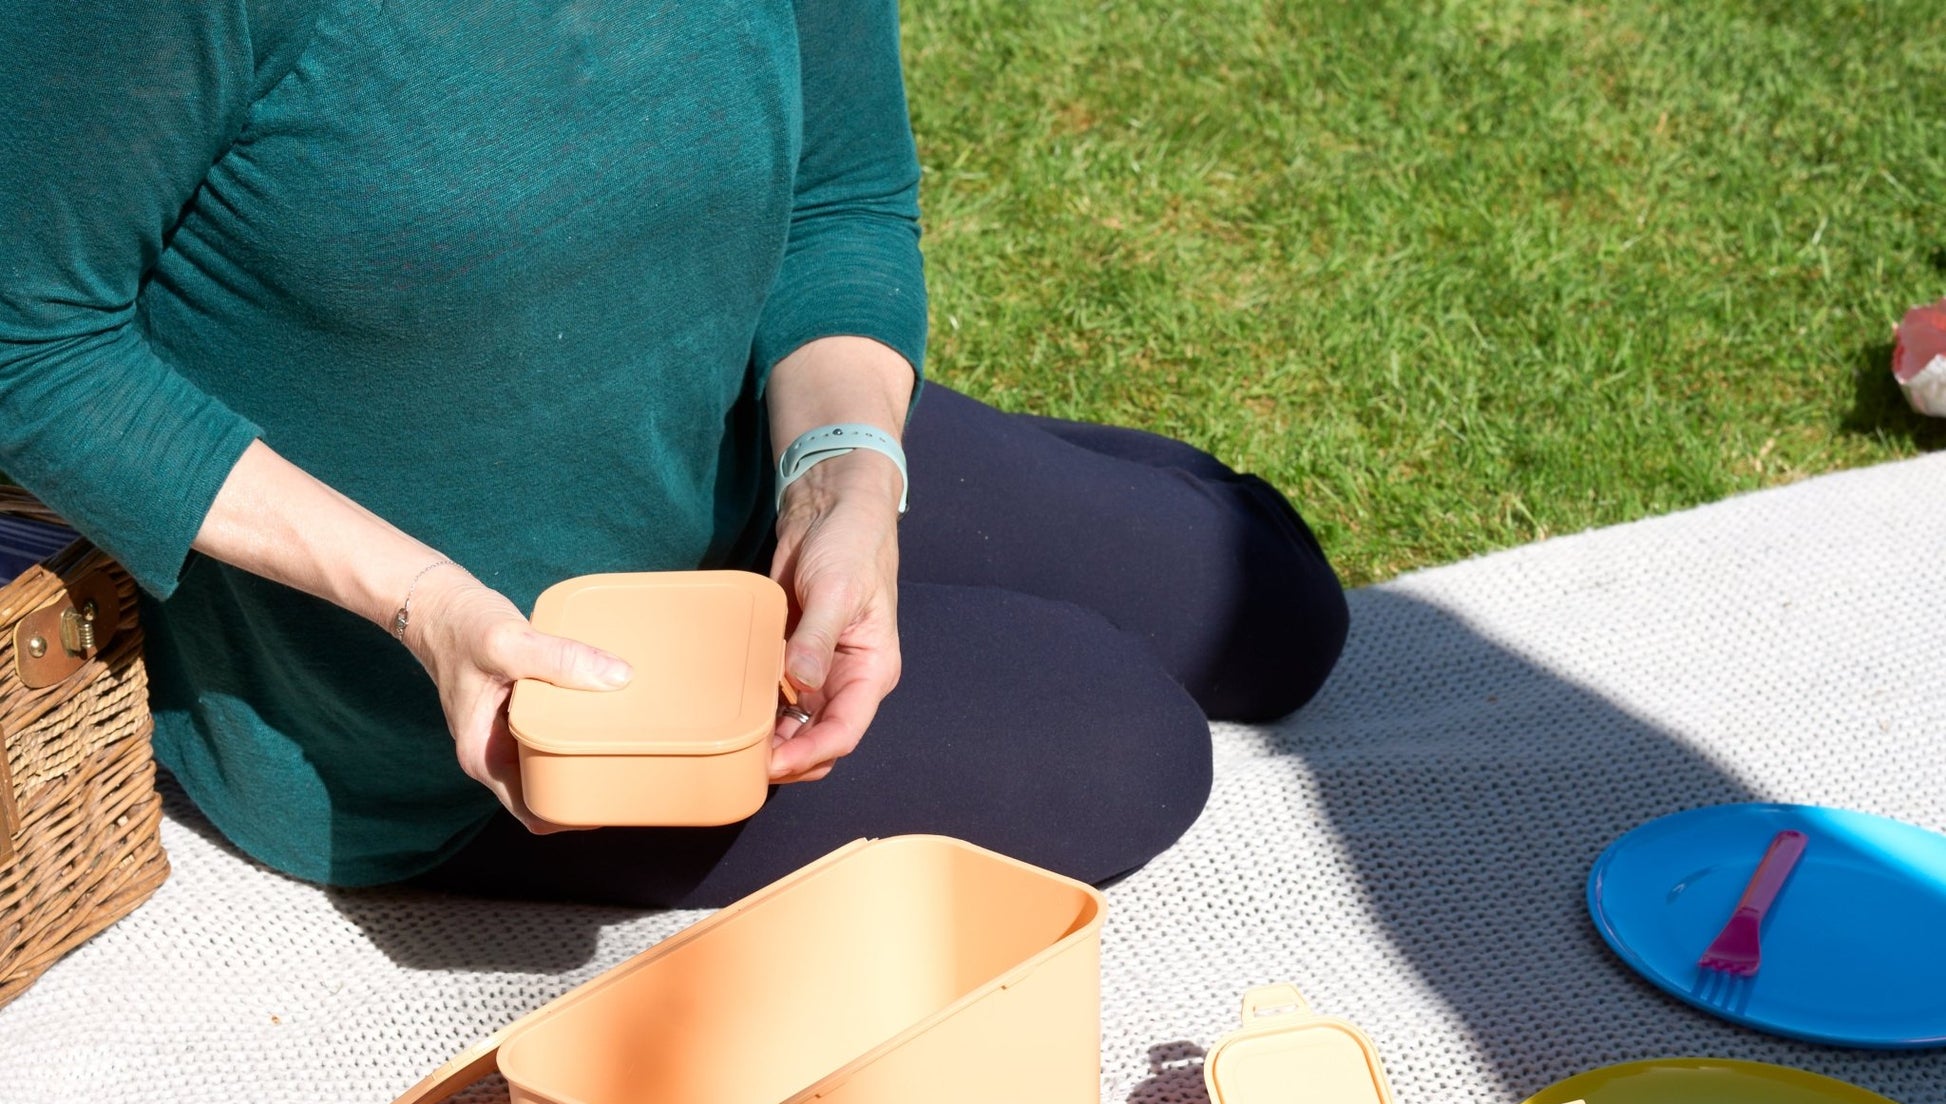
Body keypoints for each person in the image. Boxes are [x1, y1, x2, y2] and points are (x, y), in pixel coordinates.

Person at [0, 0, 1348, 910]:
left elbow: (841, 197)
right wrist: (426, 609)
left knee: (1275, 610)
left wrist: (844, 474)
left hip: (732, 452)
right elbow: (32, 348)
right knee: (1126, 744)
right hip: (463, 677)